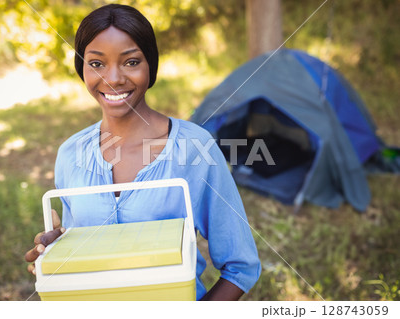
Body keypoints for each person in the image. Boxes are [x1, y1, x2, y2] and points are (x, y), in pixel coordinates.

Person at [25, 3, 260, 301]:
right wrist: (55, 251)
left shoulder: (194, 149)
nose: (113, 78)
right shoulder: (70, 154)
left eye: (131, 62)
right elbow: (82, 247)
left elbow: (241, 267)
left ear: (151, 65)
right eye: (97, 63)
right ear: (81, 69)